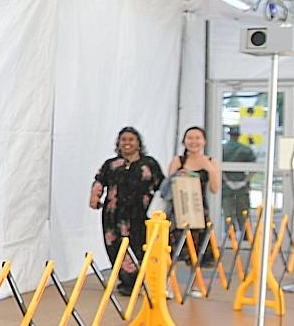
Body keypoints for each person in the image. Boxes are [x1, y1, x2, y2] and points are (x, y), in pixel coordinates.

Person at [90, 126, 164, 294]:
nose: (127, 143)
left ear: (138, 143)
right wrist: (95, 196)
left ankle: (143, 281)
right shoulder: (111, 165)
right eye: (123, 140)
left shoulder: (149, 164)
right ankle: (126, 283)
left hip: (141, 214)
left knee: (140, 245)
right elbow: (99, 180)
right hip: (114, 214)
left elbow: (162, 186)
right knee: (116, 246)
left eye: (131, 139)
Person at [166, 126, 222, 264]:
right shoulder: (178, 161)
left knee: (198, 254)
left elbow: (215, 189)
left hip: (200, 210)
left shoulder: (211, 161)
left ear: (204, 141)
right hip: (179, 210)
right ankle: (172, 284)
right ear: (184, 141)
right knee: (175, 251)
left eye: (197, 138)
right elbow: (168, 186)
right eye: (190, 138)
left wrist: (210, 169)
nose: (193, 141)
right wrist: (179, 175)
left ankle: (197, 284)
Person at [220, 125, 256, 232]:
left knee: (228, 214)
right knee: (243, 214)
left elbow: (219, 168)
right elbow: (253, 168)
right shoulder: (245, 149)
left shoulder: (223, 149)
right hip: (242, 185)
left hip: (226, 186)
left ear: (229, 135)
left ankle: (230, 238)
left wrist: (227, 180)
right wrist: (245, 181)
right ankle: (245, 239)